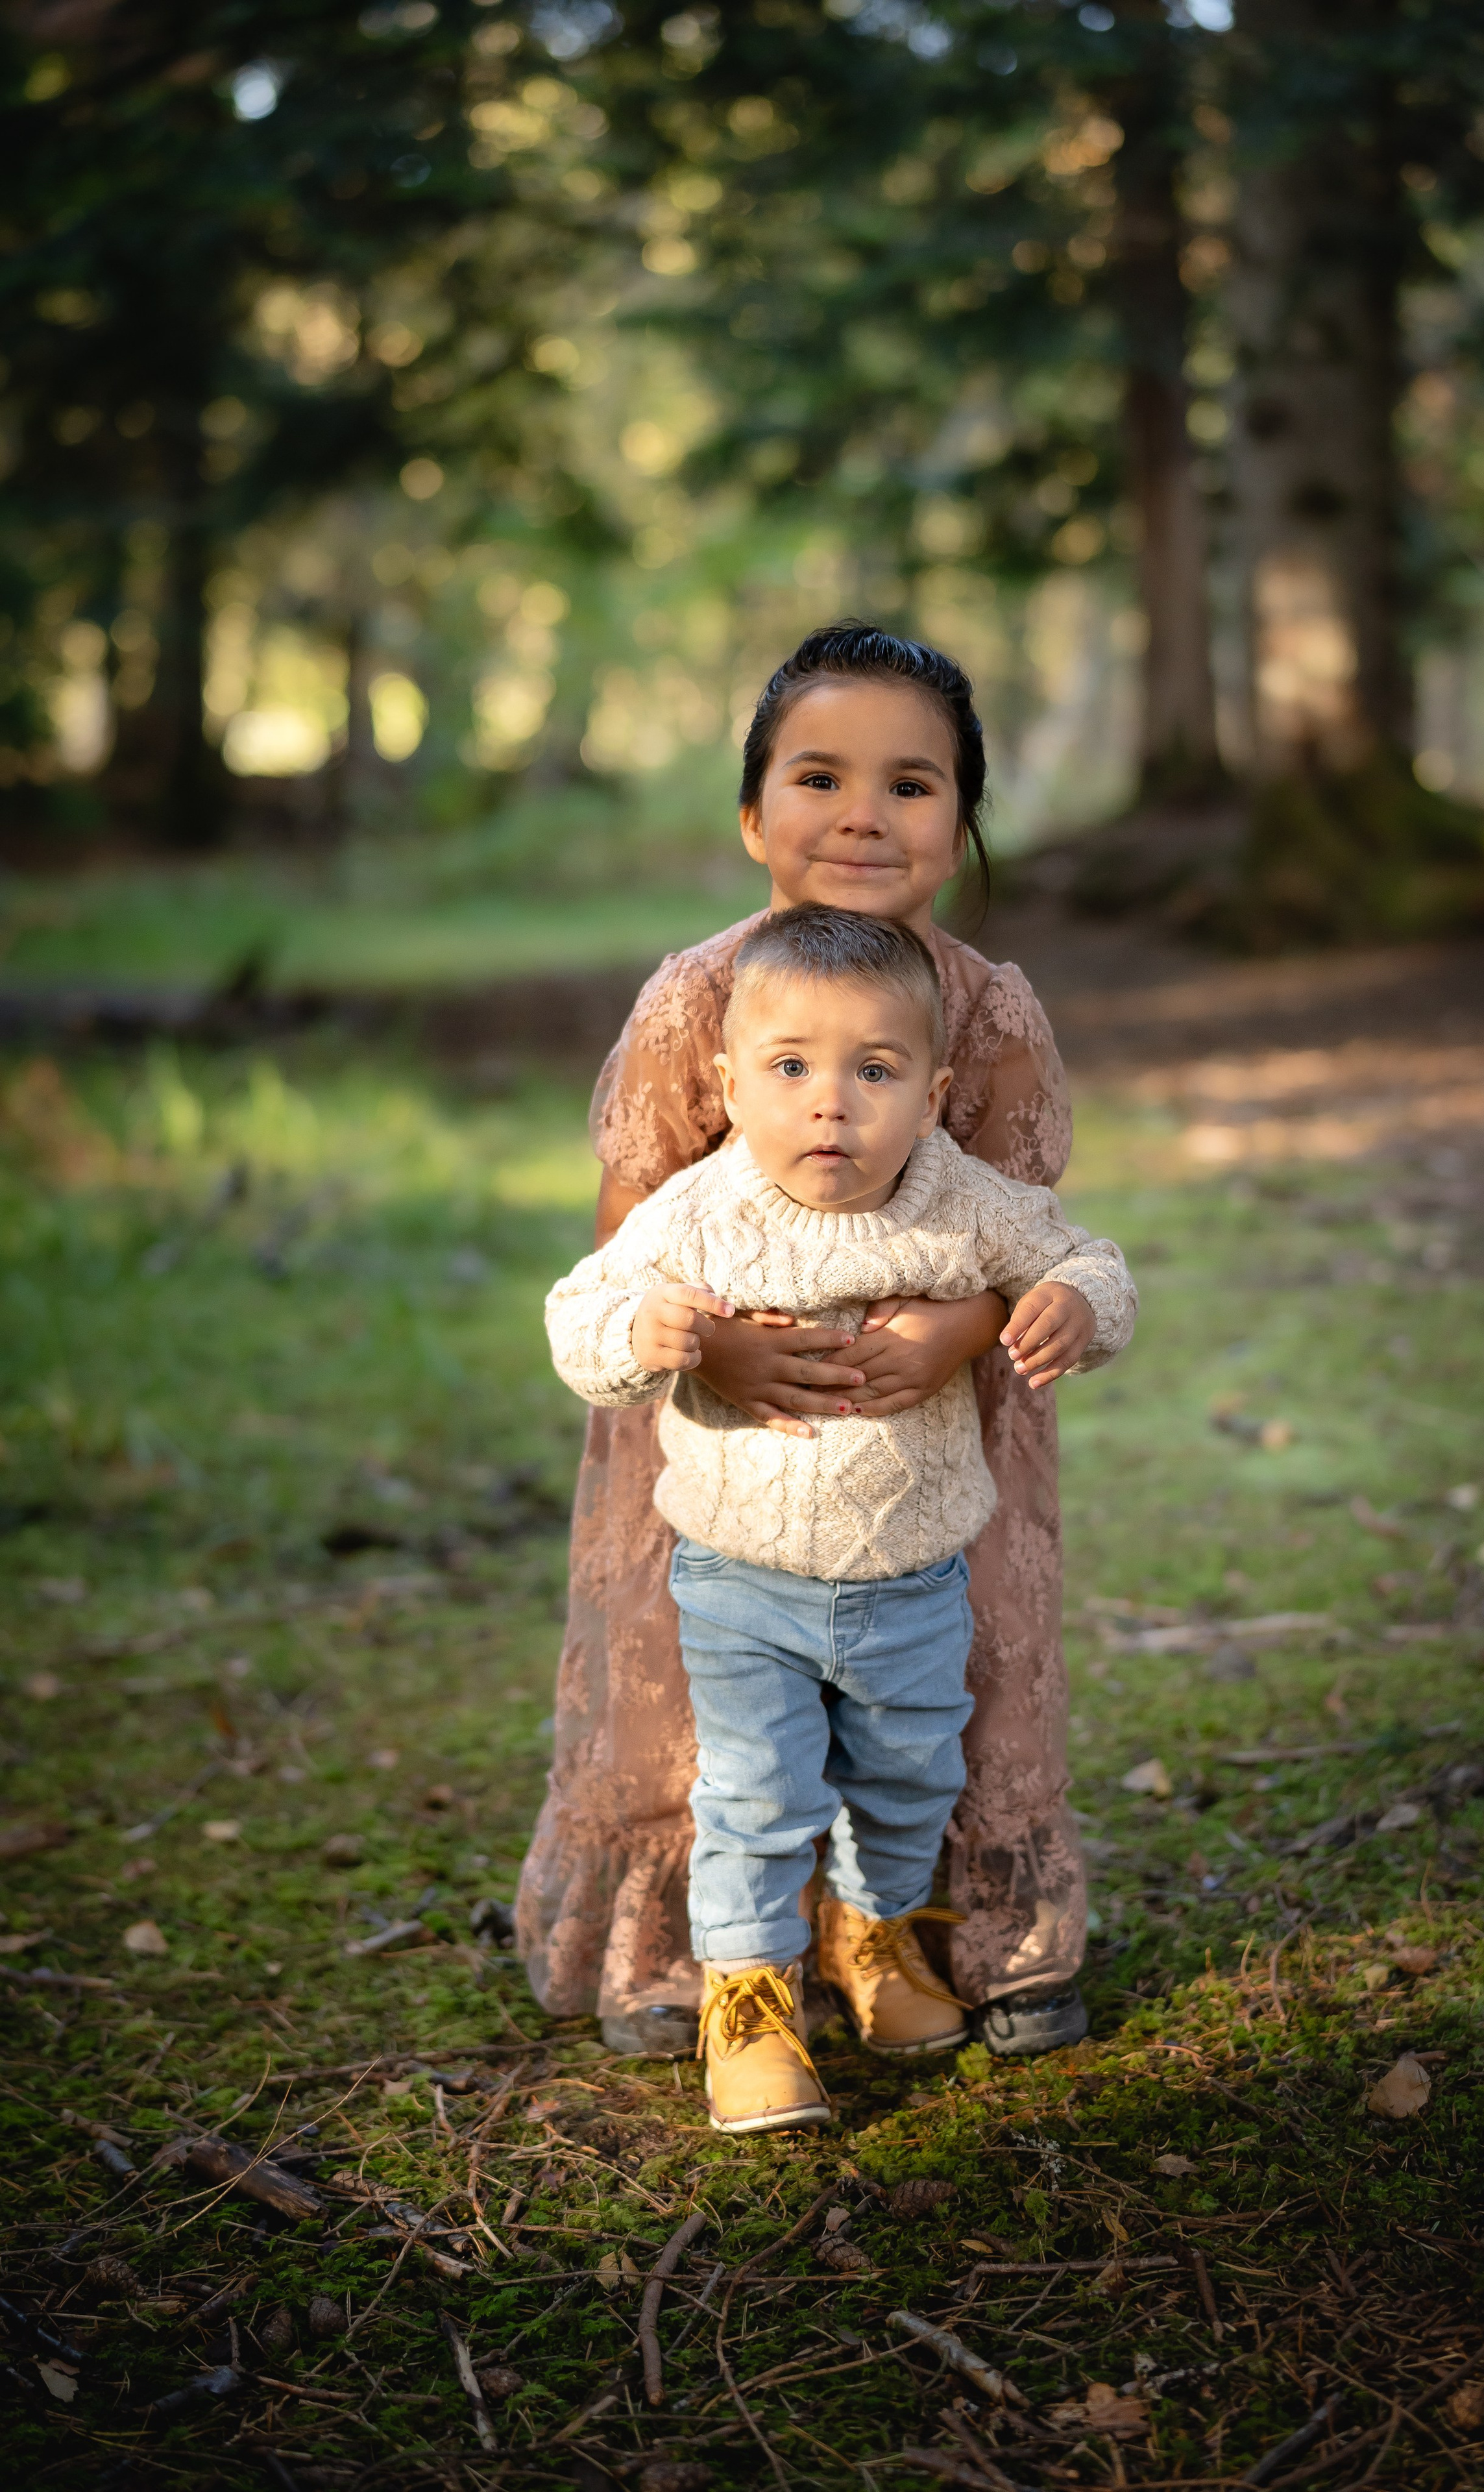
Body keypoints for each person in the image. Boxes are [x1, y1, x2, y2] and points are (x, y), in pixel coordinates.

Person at [515, 620, 1094, 2058]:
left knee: (941, 1687)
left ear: (963, 823)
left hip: (933, 1426)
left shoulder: (989, 1012)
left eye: (911, 784)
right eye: (818, 776)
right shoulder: (697, 1000)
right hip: (722, 1428)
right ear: (750, 813)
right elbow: (625, 1233)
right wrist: (711, 1347)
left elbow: (1028, 1230)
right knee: (710, 1702)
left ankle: (933, 1927)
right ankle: (697, 1953)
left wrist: (965, 1326)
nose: (861, 815)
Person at [544, 905, 1136, 2131]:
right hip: (742, 1583)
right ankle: (751, 2001)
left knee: (913, 1778)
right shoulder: (701, 1212)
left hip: (913, 1581)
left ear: (932, 1097)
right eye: (790, 1068)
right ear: (731, 1086)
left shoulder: (958, 1200)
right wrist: (648, 1332)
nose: (830, 1104)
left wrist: (1079, 1304)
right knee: (756, 1797)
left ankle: (872, 1936)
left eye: (873, 1071)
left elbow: (1085, 1256)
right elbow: (578, 1314)